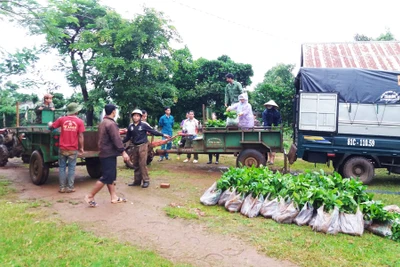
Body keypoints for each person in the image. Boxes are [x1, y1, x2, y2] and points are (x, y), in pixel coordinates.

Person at [84, 104, 130, 207]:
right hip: (108, 153)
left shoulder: (103, 123)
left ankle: (114, 197)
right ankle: (90, 196)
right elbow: (116, 139)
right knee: (106, 177)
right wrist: (123, 151)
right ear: (113, 111)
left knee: (111, 176)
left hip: (105, 152)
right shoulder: (111, 124)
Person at [123, 109, 170, 188]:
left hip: (143, 146)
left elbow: (153, 131)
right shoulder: (130, 126)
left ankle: (146, 181)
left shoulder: (144, 125)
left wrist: (163, 135)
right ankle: (137, 181)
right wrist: (120, 142)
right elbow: (127, 137)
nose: (135, 117)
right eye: (134, 116)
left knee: (142, 164)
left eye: (137, 116)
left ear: (140, 117)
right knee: (135, 164)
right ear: (132, 117)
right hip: (134, 146)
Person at [49, 102, 85, 193]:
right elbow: (80, 136)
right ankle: (70, 187)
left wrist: (49, 124)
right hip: (73, 149)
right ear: (76, 111)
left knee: (62, 168)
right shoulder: (79, 122)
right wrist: (81, 148)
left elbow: (52, 126)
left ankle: (61, 188)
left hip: (62, 148)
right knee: (71, 168)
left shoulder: (62, 119)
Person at [262, 100, 282, 165]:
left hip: (275, 130)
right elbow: (265, 121)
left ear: (273, 106)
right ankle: (268, 158)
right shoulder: (265, 112)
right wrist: (267, 128)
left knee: (273, 145)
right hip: (267, 129)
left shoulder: (276, 113)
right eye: (268, 105)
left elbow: (278, 120)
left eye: (270, 105)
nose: (269, 106)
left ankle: (272, 160)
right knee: (267, 144)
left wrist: (276, 127)